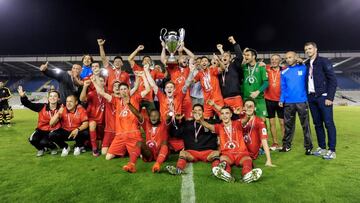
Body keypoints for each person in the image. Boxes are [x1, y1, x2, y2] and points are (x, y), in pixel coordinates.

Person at [92, 71, 150, 173]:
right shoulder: (116, 101)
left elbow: (148, 89)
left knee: (139, 154)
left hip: (133, 133)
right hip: (120, 135)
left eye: (125, 89)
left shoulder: (135, 98)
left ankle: (132, 161)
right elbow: (101, 92)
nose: (123, 90)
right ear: (119, 91)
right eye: (121, 89)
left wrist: (143, 76)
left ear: (128, 90)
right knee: (108, 157)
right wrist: (94, 82)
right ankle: (130, 151)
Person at [198, 106, 262, 183]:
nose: (225, 116)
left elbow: (245, 120)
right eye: (222, 114)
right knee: (224, 161)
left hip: (241, 153)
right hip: (227, 154)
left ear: (231, 115)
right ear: (220, 116)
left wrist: (248, 115)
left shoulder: (237, 123)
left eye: (227, 113)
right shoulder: (219, 127)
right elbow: (208, 125)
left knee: (247, 160)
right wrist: (200, 120)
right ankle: (226, 174)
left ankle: (247, 174)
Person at [304, 42, 338, 160]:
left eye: (310, 48)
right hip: (312, 97)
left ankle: (332, 150)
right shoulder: (307, 63)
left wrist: (330, 97)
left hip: (324, 97)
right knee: (317, 124)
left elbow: (333, 80)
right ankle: (322, 147)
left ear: (315, 49)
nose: (308, 51)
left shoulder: (324, 61)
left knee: (328, 123)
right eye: (306, 49)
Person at [166, 104, 220, 175]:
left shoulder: (211, 122)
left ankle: (217, 171)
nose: (197, 112)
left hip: (208, 152)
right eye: (195, 111)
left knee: (216, 153)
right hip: (191, 153)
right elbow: (175, 133)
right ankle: (178, 169)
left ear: (203, 112)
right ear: (192, 113)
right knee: (182, 153)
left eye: (199, 110)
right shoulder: (187, 124)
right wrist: (176, 121)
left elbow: (223, 123)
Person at [279, 51, 313, 155]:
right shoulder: (284, 72)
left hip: (302, 102)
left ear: (296, 57)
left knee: (305, 125)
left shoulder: (303, 68)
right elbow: (283, 88)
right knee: (288, 125)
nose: (288, 59)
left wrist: (302, 62)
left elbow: (311, 67)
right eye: (286, 58)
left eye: (290, 57)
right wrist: (281, 99)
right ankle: (286, 146)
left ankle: (308, 147)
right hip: (289, 102)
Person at [18, 86, 61, 156]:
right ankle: (41, 149)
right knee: (32, 139)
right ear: (48, 98)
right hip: (41, 129)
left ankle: (53, 148)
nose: (52, 98)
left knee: (43, 142)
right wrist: (23, 97)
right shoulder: (42, 107)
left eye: (55, 96)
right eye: (51, 96)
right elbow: (28, 104)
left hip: (54, 130)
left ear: (58, 98)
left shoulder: (62, 108)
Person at [160, 41, 194, 119]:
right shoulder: (173, 68)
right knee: (176, 118)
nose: (185, 59)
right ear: (178, 61)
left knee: (189, 118)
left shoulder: (188, 69)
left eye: (186, 58)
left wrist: (183, 47)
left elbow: (192, 57)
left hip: (186, 97)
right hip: (175, 98)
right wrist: (163, 47)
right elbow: (163, 60)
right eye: (182, 58)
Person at [128, 45, 165, 115]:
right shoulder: (138, 69)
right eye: (145, 59)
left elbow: (165, 76)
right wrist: (137, 49)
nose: (147, 60)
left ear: (151, 63)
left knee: (153, 115)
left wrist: (161, 69)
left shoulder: (154, 71)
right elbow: (129, 59)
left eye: (148, 60)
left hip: (149, 98)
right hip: (138, 97)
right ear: (142, 62)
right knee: (135, 116)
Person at [80, 67, 106, 157]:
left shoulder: (107, 93)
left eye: (102, 80)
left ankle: (90, 144)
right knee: (92, 124)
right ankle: (94, 149)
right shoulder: (92, 93)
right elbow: (82, 99)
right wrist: (85, 86)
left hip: (103, 121)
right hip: (93, 119)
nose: (100, 82)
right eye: (99, 80)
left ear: (105, 83)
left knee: (102, 147)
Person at [242, 98, 275, 166]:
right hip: (239, 150)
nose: (249, 108)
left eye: (251, 106)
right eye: (247, 106)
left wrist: (269, 160)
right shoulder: (239, 119)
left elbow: (264, 141)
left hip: (250, 153)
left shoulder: (259, 122)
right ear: (243, 108)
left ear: (255, 108)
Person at [216, 36, 244, 113]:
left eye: (227, 56)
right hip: (225, 98)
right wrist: (221, 50)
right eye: (223, 56)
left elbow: (240, 56)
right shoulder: (218, 70)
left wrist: (234, 42)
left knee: (240, 118)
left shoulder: (234, 65)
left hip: (236, 97)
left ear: (230, 59)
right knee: (228, 119)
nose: (224, 57)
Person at [264, 54, 285, 150]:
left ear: (280, 60)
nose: (274, 61)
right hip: (269, 100)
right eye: (272, 59)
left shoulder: (284, 69)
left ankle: (285, 142)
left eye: (276, 59)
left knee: (282, 123)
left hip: (281, 100)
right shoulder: (266, 68)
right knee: (272, 123)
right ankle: (275, 142)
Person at [242, 48, 269, 119]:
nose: (246, 57)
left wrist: (257, 92)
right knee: (247, 121)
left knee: (262, 121)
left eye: (248, 55)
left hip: (259, 98)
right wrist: (243, 55)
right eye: (245, 55)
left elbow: (266, 83)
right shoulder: (243, 67)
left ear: (253, 57)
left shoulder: (261, 67)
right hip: (246, 99)